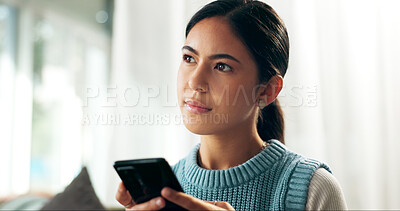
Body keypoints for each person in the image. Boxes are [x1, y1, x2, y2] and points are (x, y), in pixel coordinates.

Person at [116, 0, 347, 210]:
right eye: (189, 58)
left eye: (222, 66)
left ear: (267, 90)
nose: (194, 82)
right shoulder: (166, 192)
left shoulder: (313, 189)